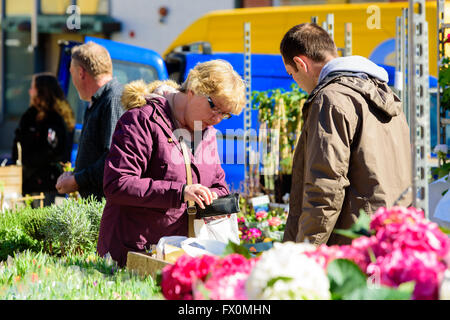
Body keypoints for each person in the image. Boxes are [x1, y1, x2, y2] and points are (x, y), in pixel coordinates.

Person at [97, 60, 245, 267]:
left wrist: (215, 202)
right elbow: (118, 184)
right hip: (134, 252)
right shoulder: (141, 120)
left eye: (225, 114)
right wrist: (181, 192)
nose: (217, 119)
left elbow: (218, 184)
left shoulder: (207, 133)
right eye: (214, 107)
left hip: (179, 255)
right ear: (193, 89)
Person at [280, 23, 412, 246]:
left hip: (353, 239)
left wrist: (304, 250)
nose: (296, 82)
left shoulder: (331, 98)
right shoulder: (385, 95)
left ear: (301, 63)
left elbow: (325, 187)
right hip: (390, 231)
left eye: (292, 74)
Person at [55, 41, 124, 201]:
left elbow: (113, 159)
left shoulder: (113, 99)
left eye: (71, 73)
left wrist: (76, 180)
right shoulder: (100, 100)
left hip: (106, 209)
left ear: (81, 73)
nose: (72, 79)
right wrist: (75, 175)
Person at [12, 73, 75, 206]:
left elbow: (53, 151)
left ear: (42, 91)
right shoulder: (30, 115)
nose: (29, 91)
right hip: (29, 181)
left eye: (32, 87)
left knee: (42, 221)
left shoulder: (55, 119)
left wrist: (30, 162)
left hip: (45, 183)